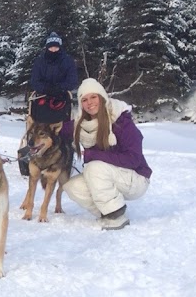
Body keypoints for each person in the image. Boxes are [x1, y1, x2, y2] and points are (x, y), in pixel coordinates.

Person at [60, 78, 151, 230]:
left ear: (102, 97)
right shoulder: (82, 124)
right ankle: (108, 212)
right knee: (72, 186)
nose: (89, 103)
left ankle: (115, 216)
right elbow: (59, 129)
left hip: (136, 178)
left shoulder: (121, 121)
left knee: (94, 167)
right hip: (111, 175)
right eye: (84, 99)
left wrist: (93, 155)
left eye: (93, 97)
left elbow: (134, 159)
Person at [29, 31, 78, 121]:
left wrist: (59, 88)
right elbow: (35, 80)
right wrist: (46, 88)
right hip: (43, 95)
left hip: (62, 96)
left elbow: (72, 80)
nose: (53, 50)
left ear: (60, 47)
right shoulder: (40, 61)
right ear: (47, 47)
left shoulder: (68, 61)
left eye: (56, 47)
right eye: (51, 47)